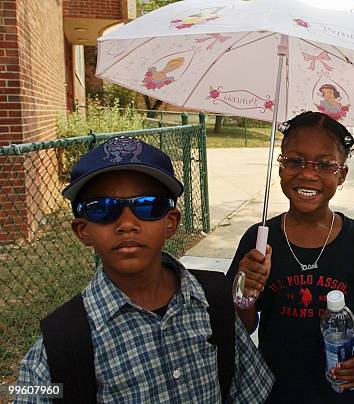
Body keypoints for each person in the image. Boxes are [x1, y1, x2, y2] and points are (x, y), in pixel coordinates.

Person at [15, 137, 274, 403]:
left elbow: (248, 392)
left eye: (147, 205)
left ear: (170, 222)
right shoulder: (59, 347)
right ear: (83, 230)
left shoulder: (214, 303)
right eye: (103, 209)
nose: (127, 223)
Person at [226, 111, 354, 403]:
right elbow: (245, 324)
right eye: (294, 161)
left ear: (341, 174)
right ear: (280, 167)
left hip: (348, 391)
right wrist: (244, 289)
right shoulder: (258, 241)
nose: (307, 173)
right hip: (277, 391)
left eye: (324, 165)